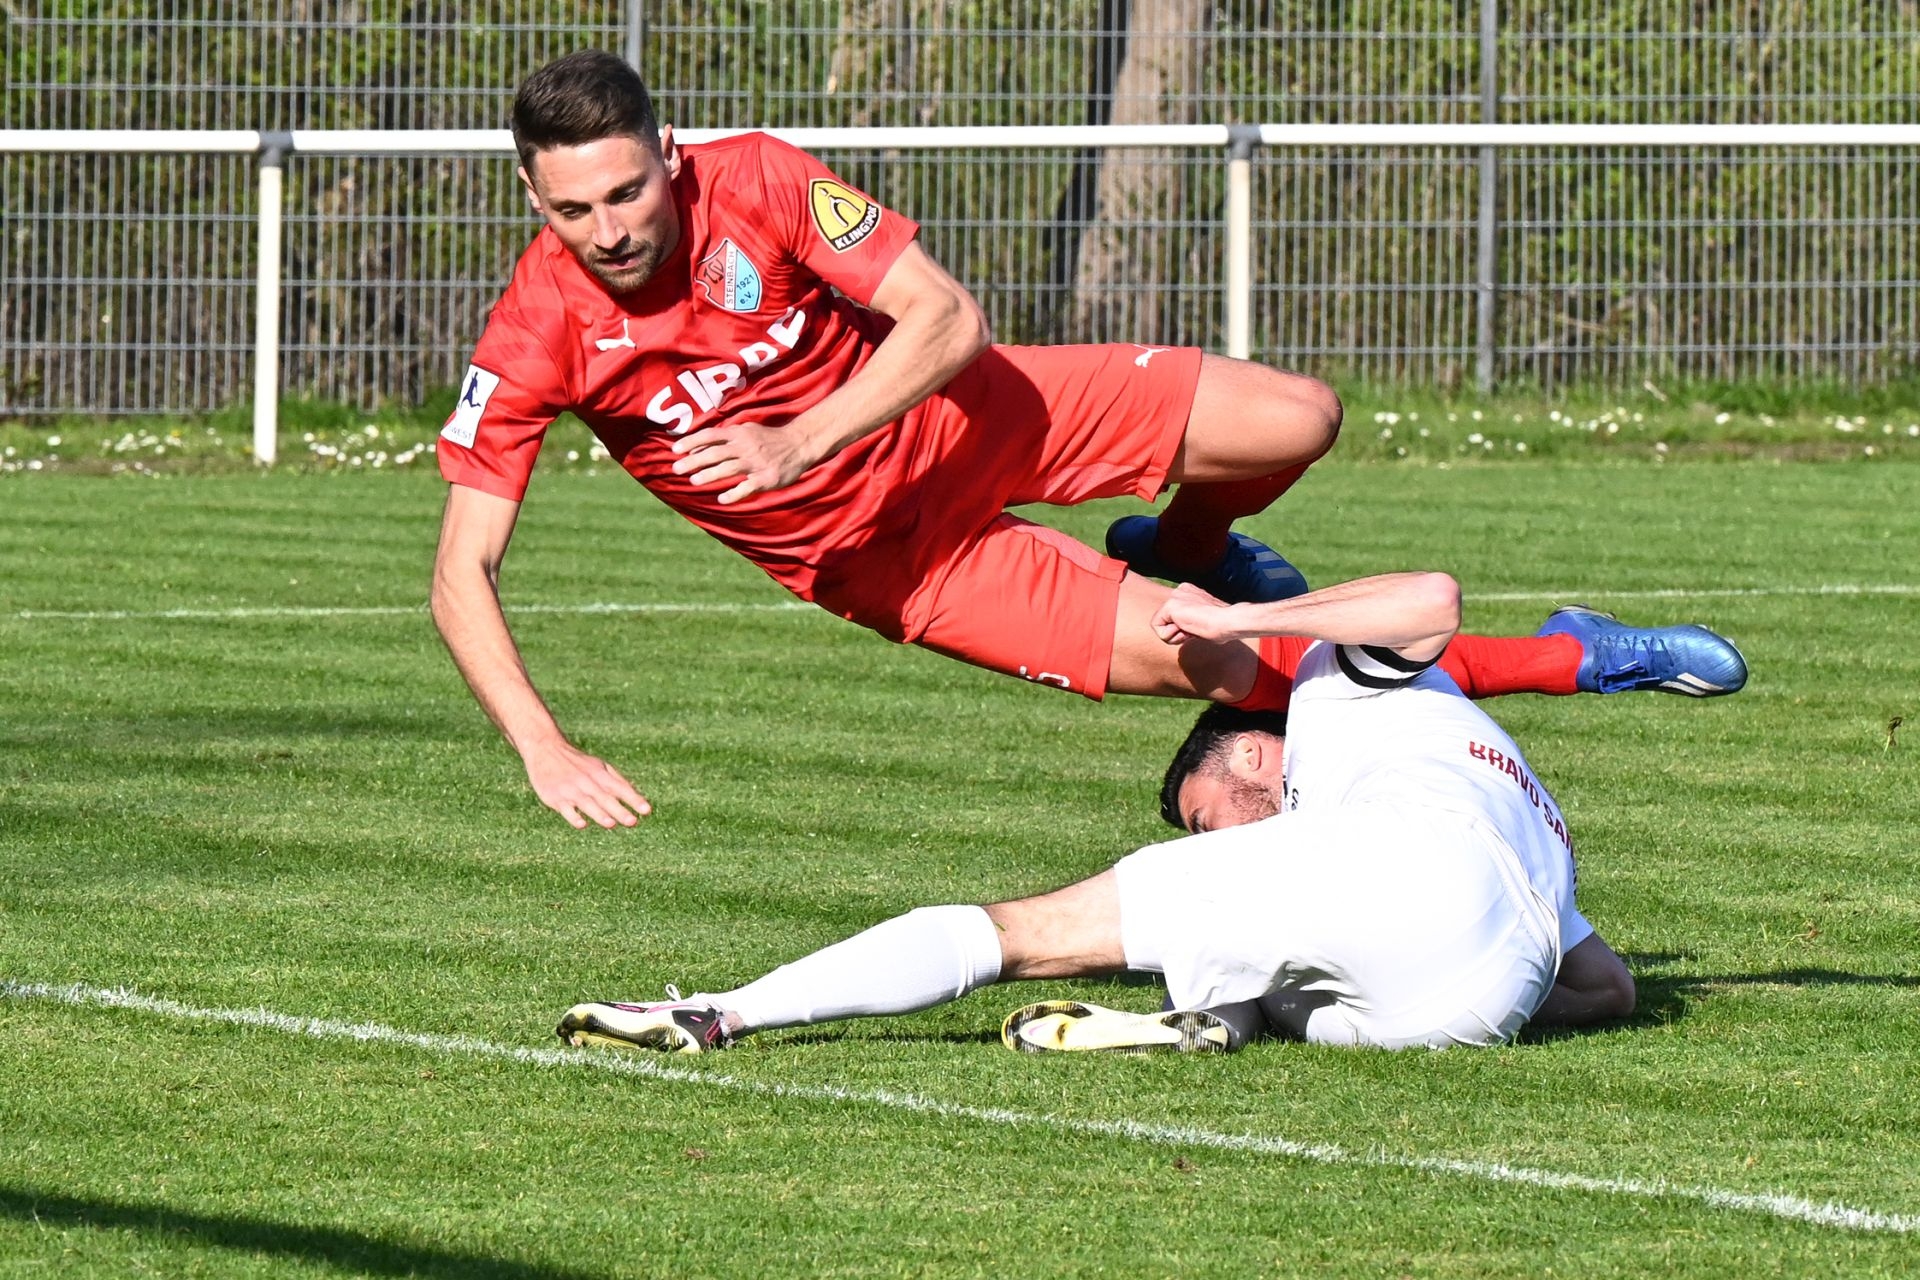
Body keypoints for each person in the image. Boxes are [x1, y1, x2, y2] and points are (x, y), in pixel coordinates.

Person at [432, 50, 1747, 830]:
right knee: (1243, 671)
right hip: (904, 563)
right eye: (571, 211)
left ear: (671, 155)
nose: (607, 229)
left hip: (977, 410)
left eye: (625, 191)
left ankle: (1193, 541)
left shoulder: (763, 178)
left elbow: (943, 319)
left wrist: (798, 440)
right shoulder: (535, 331)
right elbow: (460, 574)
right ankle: (1576, 657)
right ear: (533, 200)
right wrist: (544, 748)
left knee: (1300, 417)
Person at [554, 570, 1637, 1056]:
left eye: (1212, 817)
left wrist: (1241, 613)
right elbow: (1609, 987)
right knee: (1294, 985)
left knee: (1025, 931)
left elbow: (1434, 598)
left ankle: (723, 1011)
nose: (1219, 834)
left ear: (1253, 750)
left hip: (1402, 883)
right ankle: (1202, 1022)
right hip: (1489, 990)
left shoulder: (1323, 686)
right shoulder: (1503, 780)